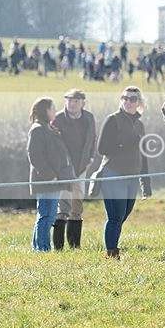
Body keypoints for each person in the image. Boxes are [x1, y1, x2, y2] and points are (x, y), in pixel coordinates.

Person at [96, 86, 152, 259]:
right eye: (124, 98)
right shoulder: (113, 120)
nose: (128, 102)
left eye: (132, 99)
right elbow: (102, 148)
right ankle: (112, 253)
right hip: (113, 174)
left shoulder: (140, 125)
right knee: (115, 217)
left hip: (132, 177)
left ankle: (112, 248)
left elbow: (142, 154)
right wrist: (126, 144)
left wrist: (146, 182)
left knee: (123, 215)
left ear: (140, 103)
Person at [52, 89, 98, 250]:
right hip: (63, 170)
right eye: (69, 100)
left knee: (77, 206)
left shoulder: (89, 118)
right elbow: (53, 146)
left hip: (81, 168)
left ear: (83, 103)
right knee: (63, 207)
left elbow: (93, 139)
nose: (72, 104)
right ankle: (58, 247)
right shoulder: (57, 119)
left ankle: (74, 246)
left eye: (76, 101)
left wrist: (90, 158)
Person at [27, 97, 73, 252]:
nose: (55, 111)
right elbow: (35, 155)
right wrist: (49, 175)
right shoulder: (38, 129)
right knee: (46, 216)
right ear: (45, 110)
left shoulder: (48, 128)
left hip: (55, 181)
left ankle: (37, 248)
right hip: (46, 181)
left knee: (48, 215)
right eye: (53, 108)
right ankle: (42, 249)